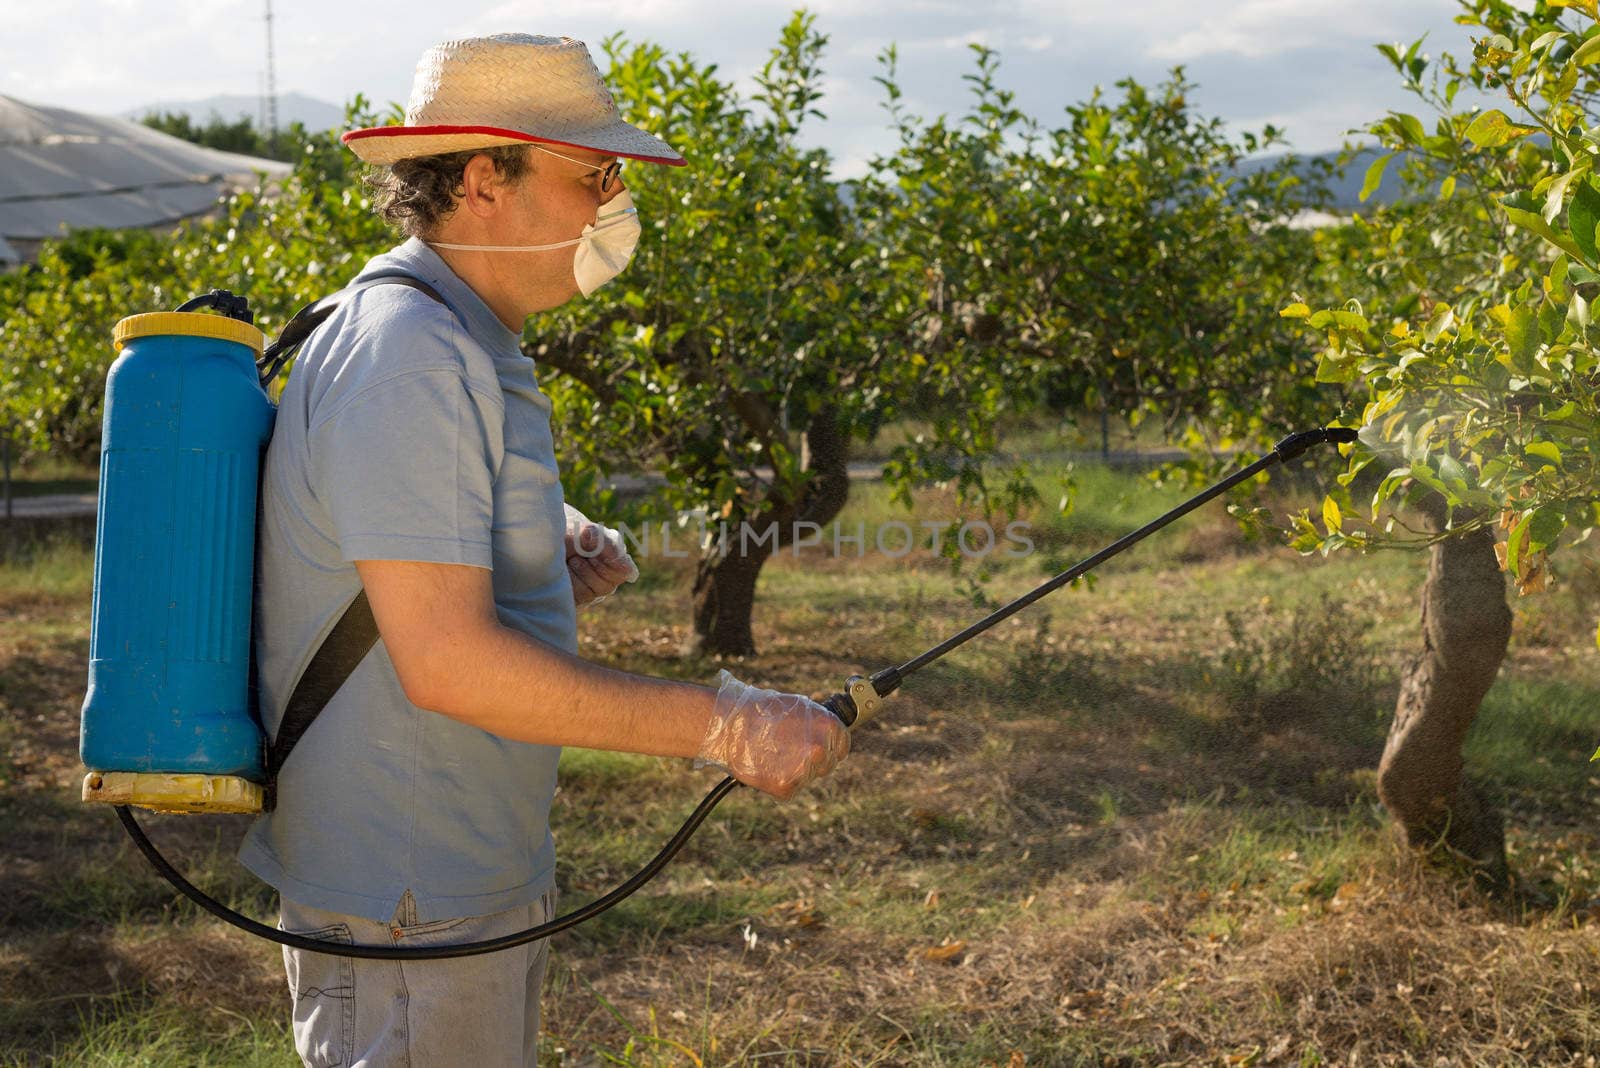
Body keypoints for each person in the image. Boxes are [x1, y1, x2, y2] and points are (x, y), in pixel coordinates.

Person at [238, 33, 851, 1067]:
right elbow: (447, 665)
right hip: (409, 897)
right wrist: (724, 726)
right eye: (594, 175)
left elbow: (403, 599)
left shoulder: (456, 337)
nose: (612, 207)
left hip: (445, 882)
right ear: (485, 178)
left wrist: (528, 565)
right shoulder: (412, 355)